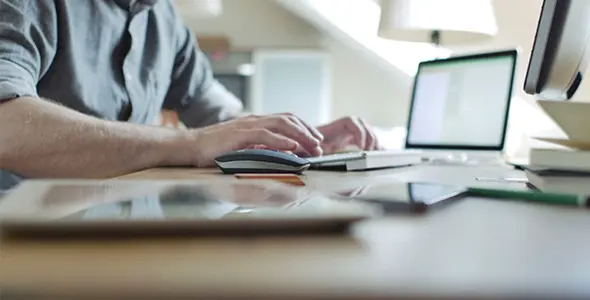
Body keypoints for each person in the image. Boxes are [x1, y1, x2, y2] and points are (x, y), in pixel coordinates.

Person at [0, 0, 380, 190]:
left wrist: (295, 138)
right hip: (22, 240)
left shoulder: (164, 20)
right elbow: (7, 125)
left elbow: (223, 119)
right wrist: (186, 142)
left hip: (117, 234)